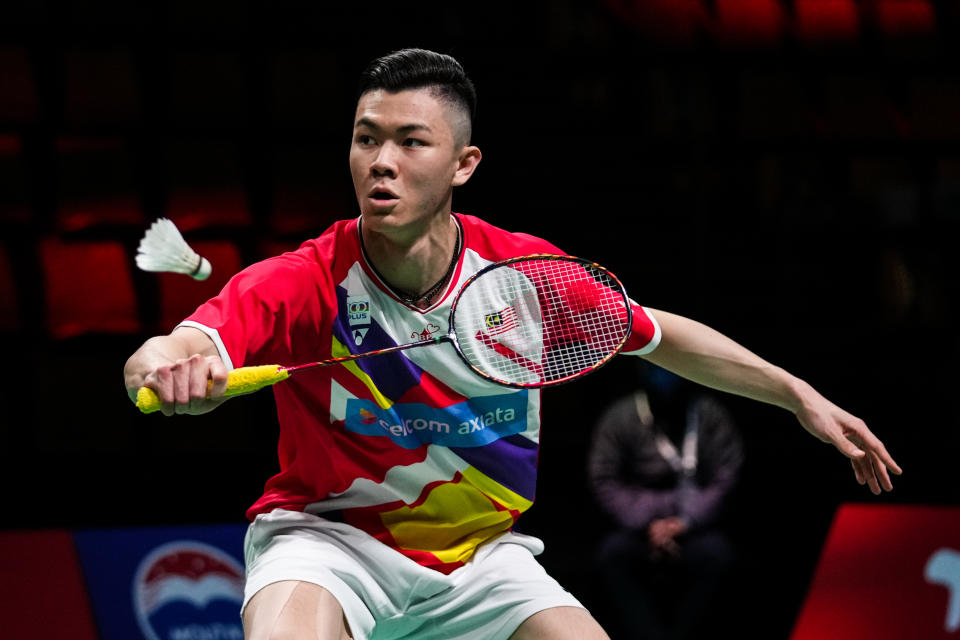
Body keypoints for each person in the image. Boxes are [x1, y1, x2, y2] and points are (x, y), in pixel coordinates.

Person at [123, 48, 901, 640]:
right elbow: (172, 346)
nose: (382, 163)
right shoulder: (307, 278)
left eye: (410, 142)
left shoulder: (524, 277)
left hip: (483, 561)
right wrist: (167, 371)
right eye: (366, 139)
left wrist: (798, 395)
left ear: (464, 164)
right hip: (332, 542)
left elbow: (660, 335)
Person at [588, 363, 744, 639]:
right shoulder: (621, 417)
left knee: (718, 556)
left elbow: (726, 475)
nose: (666, 377)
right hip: (639, 528)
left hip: (695, 526)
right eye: (657, 370)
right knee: (612, 555)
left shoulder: (709, 415)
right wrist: (646, 523)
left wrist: (684, 522)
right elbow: (604, 478)